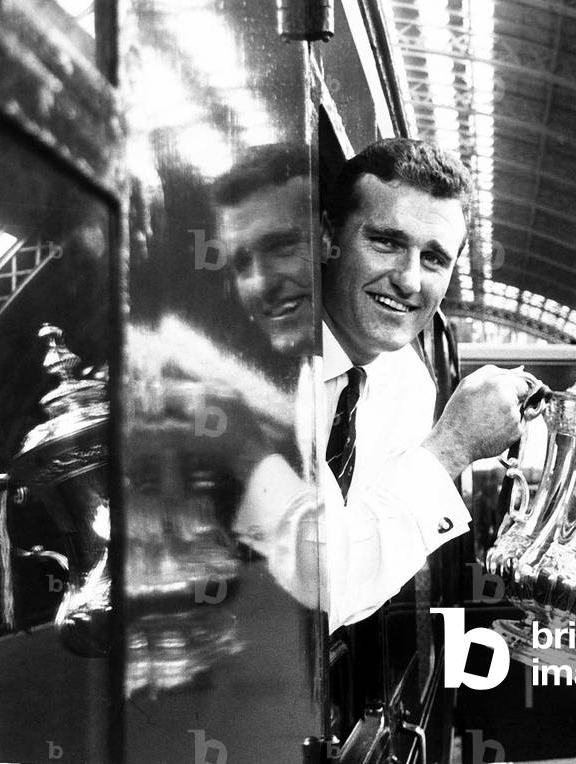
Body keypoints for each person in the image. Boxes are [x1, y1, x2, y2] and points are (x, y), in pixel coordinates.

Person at [214, 139, 534, 631]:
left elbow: (363, 581)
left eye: (434, 259)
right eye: (386, 242)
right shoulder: (255, 365)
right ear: (326, 238)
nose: (408, 280)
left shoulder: (409, 383)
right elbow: (318, 586)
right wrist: (452, 448)